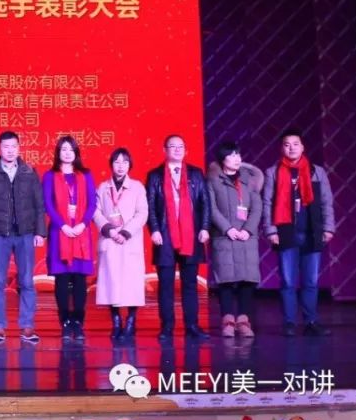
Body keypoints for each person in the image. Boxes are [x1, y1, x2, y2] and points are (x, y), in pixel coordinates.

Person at [262, 128, 336, 337]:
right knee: (287, 281)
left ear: (302, 147)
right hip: (285, 233)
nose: (291, 148)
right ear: (281, 148)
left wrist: (328, 227)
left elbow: (326, 202)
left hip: (312, 231)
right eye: (287, 145)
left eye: (295, 144)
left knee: (311, 281)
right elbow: (267, 203)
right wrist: (270, 230)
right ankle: (289, 323)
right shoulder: (273, 172)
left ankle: (311, 321)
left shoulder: (316, 171)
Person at [0, 131, 45, 344]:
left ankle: (27, 326)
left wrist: (40, 232)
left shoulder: (29, 171)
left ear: (19, 148)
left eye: (13, 146)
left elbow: (39, 204)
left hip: (25, 233)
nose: (10, 150)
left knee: (27, 281)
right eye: (5, 147)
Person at [146, 134, 211, 339]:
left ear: (185, 150)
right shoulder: (155, 175)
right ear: (164, 150)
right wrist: (154, 229)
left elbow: (205, 203)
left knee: (190, 284)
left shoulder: (196, 174)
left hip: (191, 235)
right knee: (165, 285)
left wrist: (204, 227)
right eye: (172, 146)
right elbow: (150, 206)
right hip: (165, 235)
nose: (177, 150)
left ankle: (192, 325)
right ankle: (167, 327)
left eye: (180, 146)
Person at [43, 135, 97, 342]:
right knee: (62, 280)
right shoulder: (50, 176)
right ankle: (65, 322)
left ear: (76, 153)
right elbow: (48, 204)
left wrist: (82, 224)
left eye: (70, 149)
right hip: (60, 233)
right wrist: (63, 225)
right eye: (63, 149)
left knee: (80, 280)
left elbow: (92, 203)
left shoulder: (86, 175)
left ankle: (78, 322)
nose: (67, 153)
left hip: (81, 233)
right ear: (58, 153)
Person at [207, 141, 263, 338]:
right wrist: (227, 228)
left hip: (247, 238)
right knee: (226, 280)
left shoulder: (248, 180)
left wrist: (248, 229)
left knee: (248, 280)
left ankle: (244, 321)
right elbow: (211, 208)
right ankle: (228, 320)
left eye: (238, 154)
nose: (237, 158)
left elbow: (257, 207)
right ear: (222, 159)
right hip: (225, 237)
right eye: (231, 155)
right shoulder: (213, 181)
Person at [92, 147, 148, 340]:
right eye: (117, 162)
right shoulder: (102, 187)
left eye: (125, 162)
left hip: (129, 241)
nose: (121, 166)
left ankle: (131, 320)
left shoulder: (138, 187)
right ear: (111, 165)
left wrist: (125, 232)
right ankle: (116, 321)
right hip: (110, 240)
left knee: (132, 283)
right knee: (111, 282)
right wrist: (108, 229)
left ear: (129, 165)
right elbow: (95, 211)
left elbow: (142, 213)